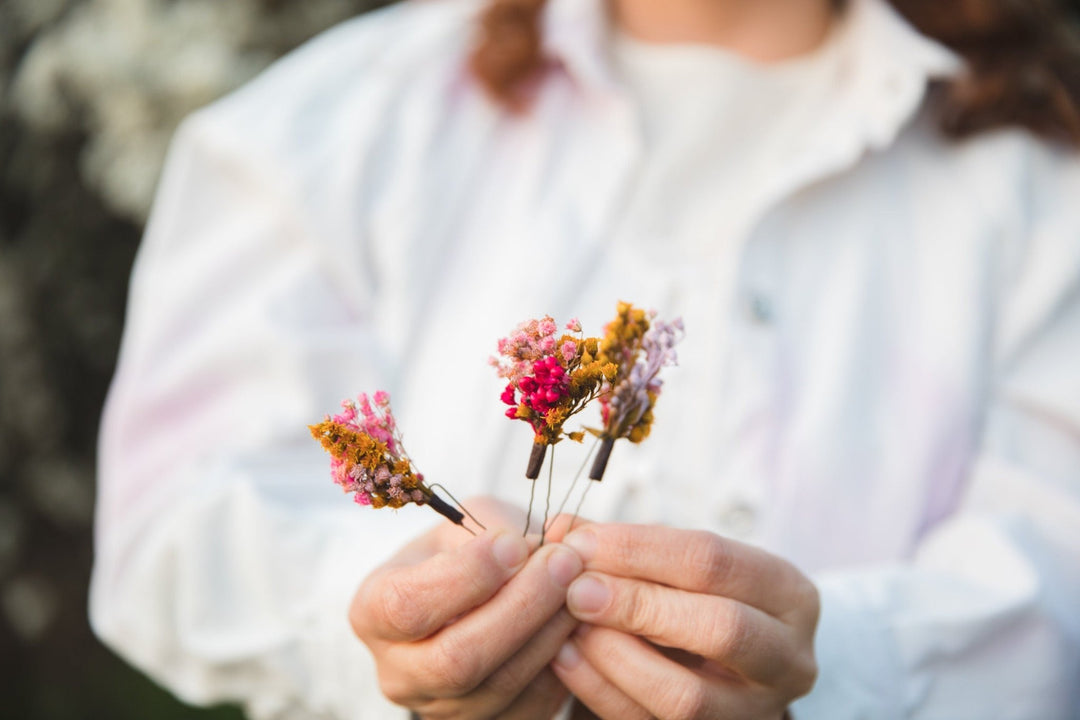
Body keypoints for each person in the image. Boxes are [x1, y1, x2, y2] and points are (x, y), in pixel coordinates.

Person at [90, 0, 1080, 717]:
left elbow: (1058, 574)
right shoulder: (322, 137)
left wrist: (845, 663)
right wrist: (384, 614)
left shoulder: (1039, 185)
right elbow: (171, 523)